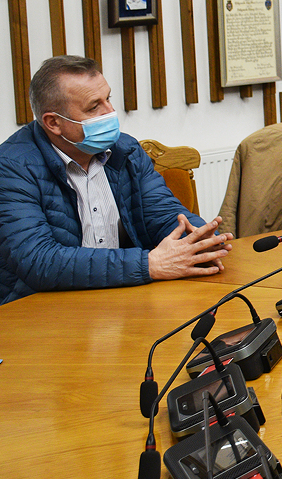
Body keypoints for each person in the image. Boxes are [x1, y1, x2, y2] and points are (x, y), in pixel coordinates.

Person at [0, 56, 232, 305]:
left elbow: (163, 214)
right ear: (53, 123)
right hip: (40, 308)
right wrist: (148, 264)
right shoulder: (11, 167)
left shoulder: (125, 150)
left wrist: (197, 241)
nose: (110, 112)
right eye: (93, 107)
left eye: (108, 99)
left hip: (123, 295)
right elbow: (39, 261)